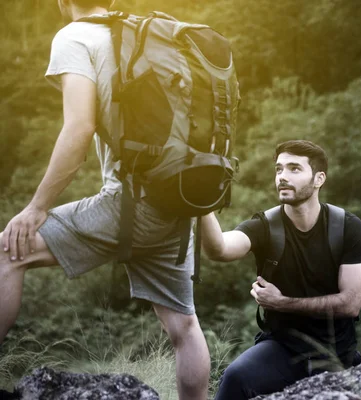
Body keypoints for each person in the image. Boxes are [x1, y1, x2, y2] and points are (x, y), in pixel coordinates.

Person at [0, 1, 210, 399]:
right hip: (176, 202)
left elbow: (79, 128)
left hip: (130, 204)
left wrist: (36, 207)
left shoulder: (75, 36)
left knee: (9, 252)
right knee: (184, 327)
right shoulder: (144, 35)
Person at [201, 139, 361, 400]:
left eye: (294, 169)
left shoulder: (348, 227)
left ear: (319, 178)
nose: (282, 177)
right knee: (236, 377)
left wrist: (282, 303)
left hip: (337, 354)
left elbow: (350, 304)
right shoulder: (265, 225)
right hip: (281, 349)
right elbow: (219, 249)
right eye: (279, 169)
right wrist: (199, 202)